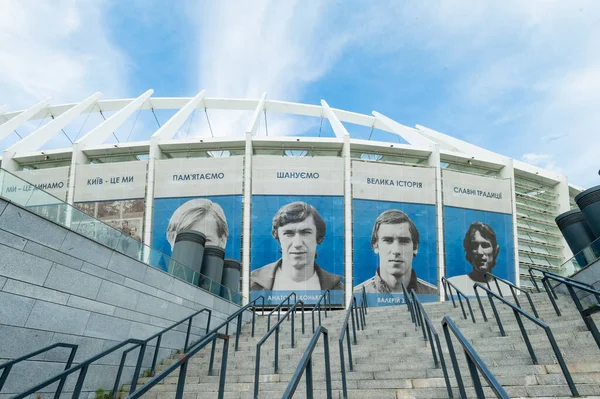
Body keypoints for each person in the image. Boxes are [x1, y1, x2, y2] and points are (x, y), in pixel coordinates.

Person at [250, 201, 343, 291]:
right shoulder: (252, 285)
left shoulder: (339, 290)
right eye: (288, 233)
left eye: (306, 233)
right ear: (277, 236)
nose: (297, 244)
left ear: (319, 238)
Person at [354, 209, 437, 295]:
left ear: (415, 247)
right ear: (375, 246)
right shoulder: (356, 296)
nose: (396, 250)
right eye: (388, 240)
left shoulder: (434, 295)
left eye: (404, 241)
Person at [447, 222, 509, 296]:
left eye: (485, 245)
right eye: (474, 246)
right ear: (468, 251)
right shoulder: (453, 284)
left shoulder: (507, 288)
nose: (479, 252)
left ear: (495, 251)